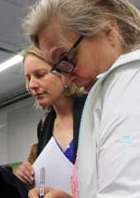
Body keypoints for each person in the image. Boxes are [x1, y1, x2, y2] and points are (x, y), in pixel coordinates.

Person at [23, 0, 140, 198]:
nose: (67, 81)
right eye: (58, 70)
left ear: (108, 31)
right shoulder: (127, 87)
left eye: (67, 59)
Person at [14, 46, 86, 188]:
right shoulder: (44, 124)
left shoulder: (93, 110)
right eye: (28, 78)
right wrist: (28, 174)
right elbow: (45, 179)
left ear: (63, 72)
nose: (31, 85)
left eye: (40, 74)